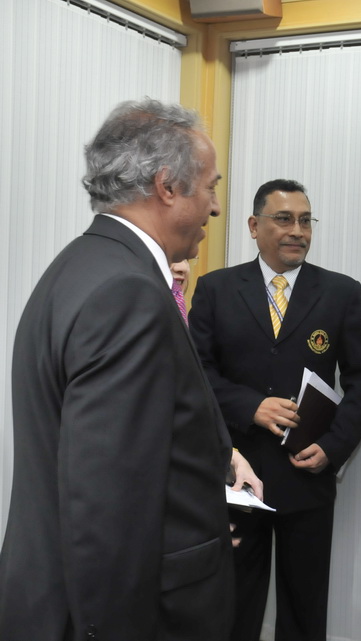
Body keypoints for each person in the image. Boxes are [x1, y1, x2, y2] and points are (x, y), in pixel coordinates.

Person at [0, 98, 256, 640]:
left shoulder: (78, 267)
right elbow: (108, 508)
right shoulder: (128, 293)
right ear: (167, 186)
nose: (215, 208)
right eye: (210, 187)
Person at [189, 178, 361, 641]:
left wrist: (334, 447)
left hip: (306, 475)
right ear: (254, 226)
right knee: (234, 608)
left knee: (304, 610)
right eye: (284, 219)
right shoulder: (216, 289)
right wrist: (251, 405)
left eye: (305, 220)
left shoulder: (340, 292)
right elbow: (195, 374)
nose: (298, 230)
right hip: (236, 476)